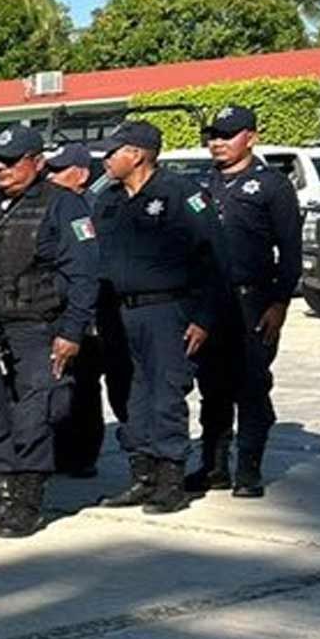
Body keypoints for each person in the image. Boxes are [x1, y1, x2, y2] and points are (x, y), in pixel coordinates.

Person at [0, 125, 98, 538]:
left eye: (13, 162)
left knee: (34, 414)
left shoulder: (63, 205)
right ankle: (4, 494)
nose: (3, 170)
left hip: (37, 327)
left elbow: (83, 275)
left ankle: (28, 502)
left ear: (37, 162)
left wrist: (72, 332)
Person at [92, 120, 223, 515]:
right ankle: (142, 475)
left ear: (137, 154)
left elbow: (215, 259)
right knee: (131, 395)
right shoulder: (108, 201)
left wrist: (203, 317)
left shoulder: (182, 194)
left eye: (113, 152)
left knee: (166, 394)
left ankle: (171, 480)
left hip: (168, 310)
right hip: (119, 312)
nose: (106, 161)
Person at [192, 106, 301, 499]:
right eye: (213, 136)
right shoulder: (204, 185)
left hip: (252, 300)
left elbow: (288, 250)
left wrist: (280, 302)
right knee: (212, 386)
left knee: (251, 384)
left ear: (250, 137)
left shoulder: (271, 185)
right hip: (209, 302)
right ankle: (213, 466)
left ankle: (248, 470)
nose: (218, 143)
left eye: (227, 135)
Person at [45, 143, 109, 478]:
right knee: (57, 387)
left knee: (83, 387)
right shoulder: (49, 205)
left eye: (59, 170)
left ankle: (82, 456)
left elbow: (90, 268)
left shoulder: (89, 207)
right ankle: (59, 450)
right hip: (54, 311)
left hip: (84, 314)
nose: (51, 176)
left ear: (81, 174)